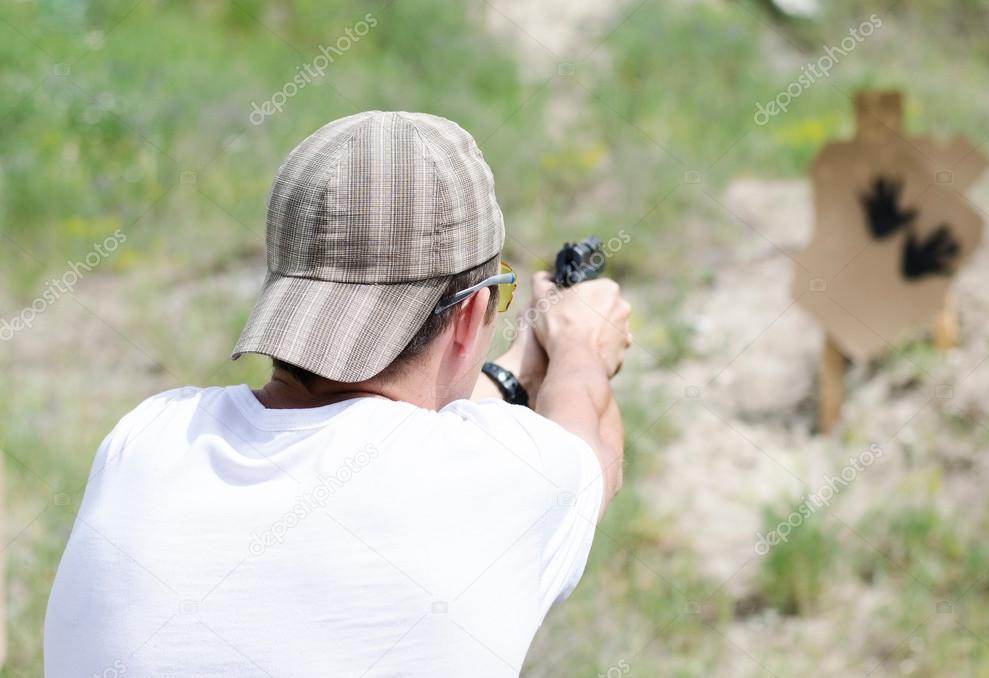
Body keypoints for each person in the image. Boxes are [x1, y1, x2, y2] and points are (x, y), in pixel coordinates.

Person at [44, 111, 631, 677]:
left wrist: (514, 371)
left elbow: (364, 423)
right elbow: (589, 445)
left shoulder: (147, 438)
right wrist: (579, 344)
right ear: (472, 310)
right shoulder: (509, 478)